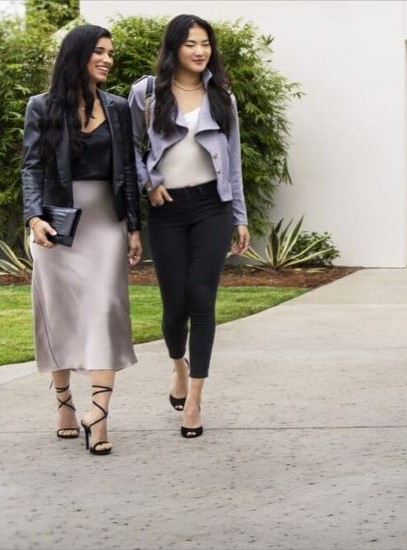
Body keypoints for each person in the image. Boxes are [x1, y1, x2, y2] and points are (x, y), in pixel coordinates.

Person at [21, 24, 143, 456]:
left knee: (105, 310)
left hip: (105, 222)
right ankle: (65, 405)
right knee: (61, 314)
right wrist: (34, 217)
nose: (108, 59)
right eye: (99, 52)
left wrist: (132, 226)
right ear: (77, 55)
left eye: (110, 52)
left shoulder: (118, 107)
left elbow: (127, 170)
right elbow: (32, 167)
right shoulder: (41, 107)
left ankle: (99, 414)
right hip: (57, 224)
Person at [129, 14, 250, 439]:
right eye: (191, 44)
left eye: (206, 44)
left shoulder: (223, 98)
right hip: (167, 210)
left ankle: (195, 400)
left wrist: (239, 216)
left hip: (210, 208)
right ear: (174, 48)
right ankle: (177, 366)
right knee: (173, 307)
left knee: (202, 299)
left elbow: (232, 161)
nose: (200, 51)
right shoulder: (146, 93)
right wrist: (149, 183)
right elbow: (130, 152)